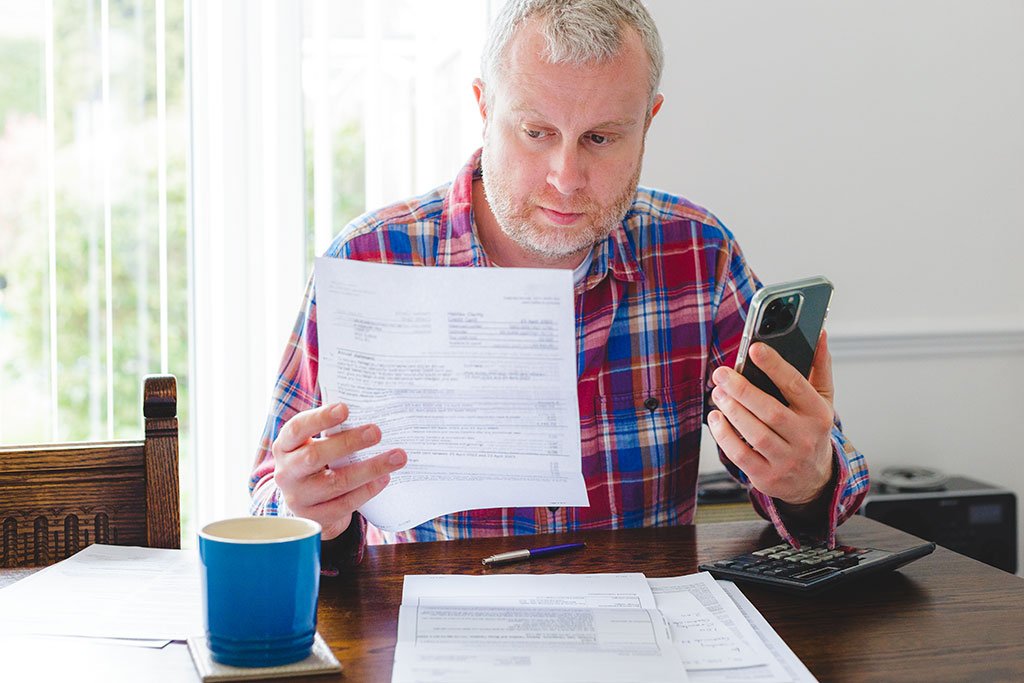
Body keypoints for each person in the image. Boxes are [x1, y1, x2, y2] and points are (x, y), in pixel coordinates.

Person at [250, 0, 868, 568]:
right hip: (429, 635)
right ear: (485, 106)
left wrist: (809, 479)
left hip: (642, 634)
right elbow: (268, 500)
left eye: (601, 138)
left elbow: (822, 488)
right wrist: (303, 510)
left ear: (648, 122)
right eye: (536, 132)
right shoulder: (370, 259)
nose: (566, 178)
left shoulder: (698, 255)